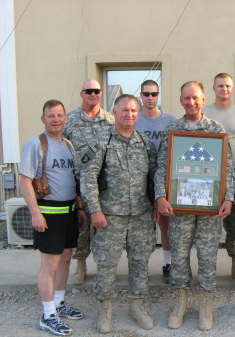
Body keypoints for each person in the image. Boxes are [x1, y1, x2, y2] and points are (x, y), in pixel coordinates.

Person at [155, 81, 235, 331]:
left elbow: (228, 168)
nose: (191, 102)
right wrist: (160, 197)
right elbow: (162, 167)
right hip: (179, 207)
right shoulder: (173, 128)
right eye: (186, 98)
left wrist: (229, 197)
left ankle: (204, 305)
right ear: (181, 101)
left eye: (196, 98)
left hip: (209, 207)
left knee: (208, 255)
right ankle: (180, 303)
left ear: (203, 99)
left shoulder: (215, 128)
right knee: (178, 255)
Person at [79, 94, 157, 333]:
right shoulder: (101, 142)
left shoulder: (145, 143)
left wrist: (156, 205)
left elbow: (154, 178)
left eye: (134, 111)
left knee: (140, 263)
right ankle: (105, 309)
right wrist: (95, 210)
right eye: (124, 110)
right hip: (109, 217)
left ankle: (137, 306)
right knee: (107, 265)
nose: (129, 115)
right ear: (114, 112)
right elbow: (88, 177)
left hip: (141, 216)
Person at [19, 99, 85, 336]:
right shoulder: (36, 144)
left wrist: (78, 208)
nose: (56, 119)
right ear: (43, 119)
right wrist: (35, 213)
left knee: (66, 260)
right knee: (50, 265)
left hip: (67, 213)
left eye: (59, 115)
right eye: (51, 116)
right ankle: (47, 315)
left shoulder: (68, 145)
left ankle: (58, 303)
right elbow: (25, 179)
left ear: (65, 118)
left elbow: (72, 180)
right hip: (48, 213)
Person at [202, 73, 235, 285]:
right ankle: (208, 266)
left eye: (228, 86)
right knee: (209, 222)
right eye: (220, 86)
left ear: (232, 89)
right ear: (213, 89)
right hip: (209, 177)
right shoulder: (204, 113)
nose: (224, 89)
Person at [63, 79, 115, 285]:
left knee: (105, 227)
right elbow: (63, 149)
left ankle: (105, 267)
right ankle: (81, 264)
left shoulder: (110, 120)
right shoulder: (71, 120)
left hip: (105, 182)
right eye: (89, 91)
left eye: (97, 91)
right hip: (77, 182)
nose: (93, 94)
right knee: (82, 226)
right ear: (82, 94)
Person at [135, 79, 176, 283]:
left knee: (165, 224)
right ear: (141, 96)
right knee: (143, 225)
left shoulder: (170, 121)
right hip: (140, 178)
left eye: (154, 94)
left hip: (164, 178)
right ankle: (140, 267)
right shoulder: (134, 119)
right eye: (146, 94)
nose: (150, 98)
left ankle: (167, 263)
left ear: (158, 95)